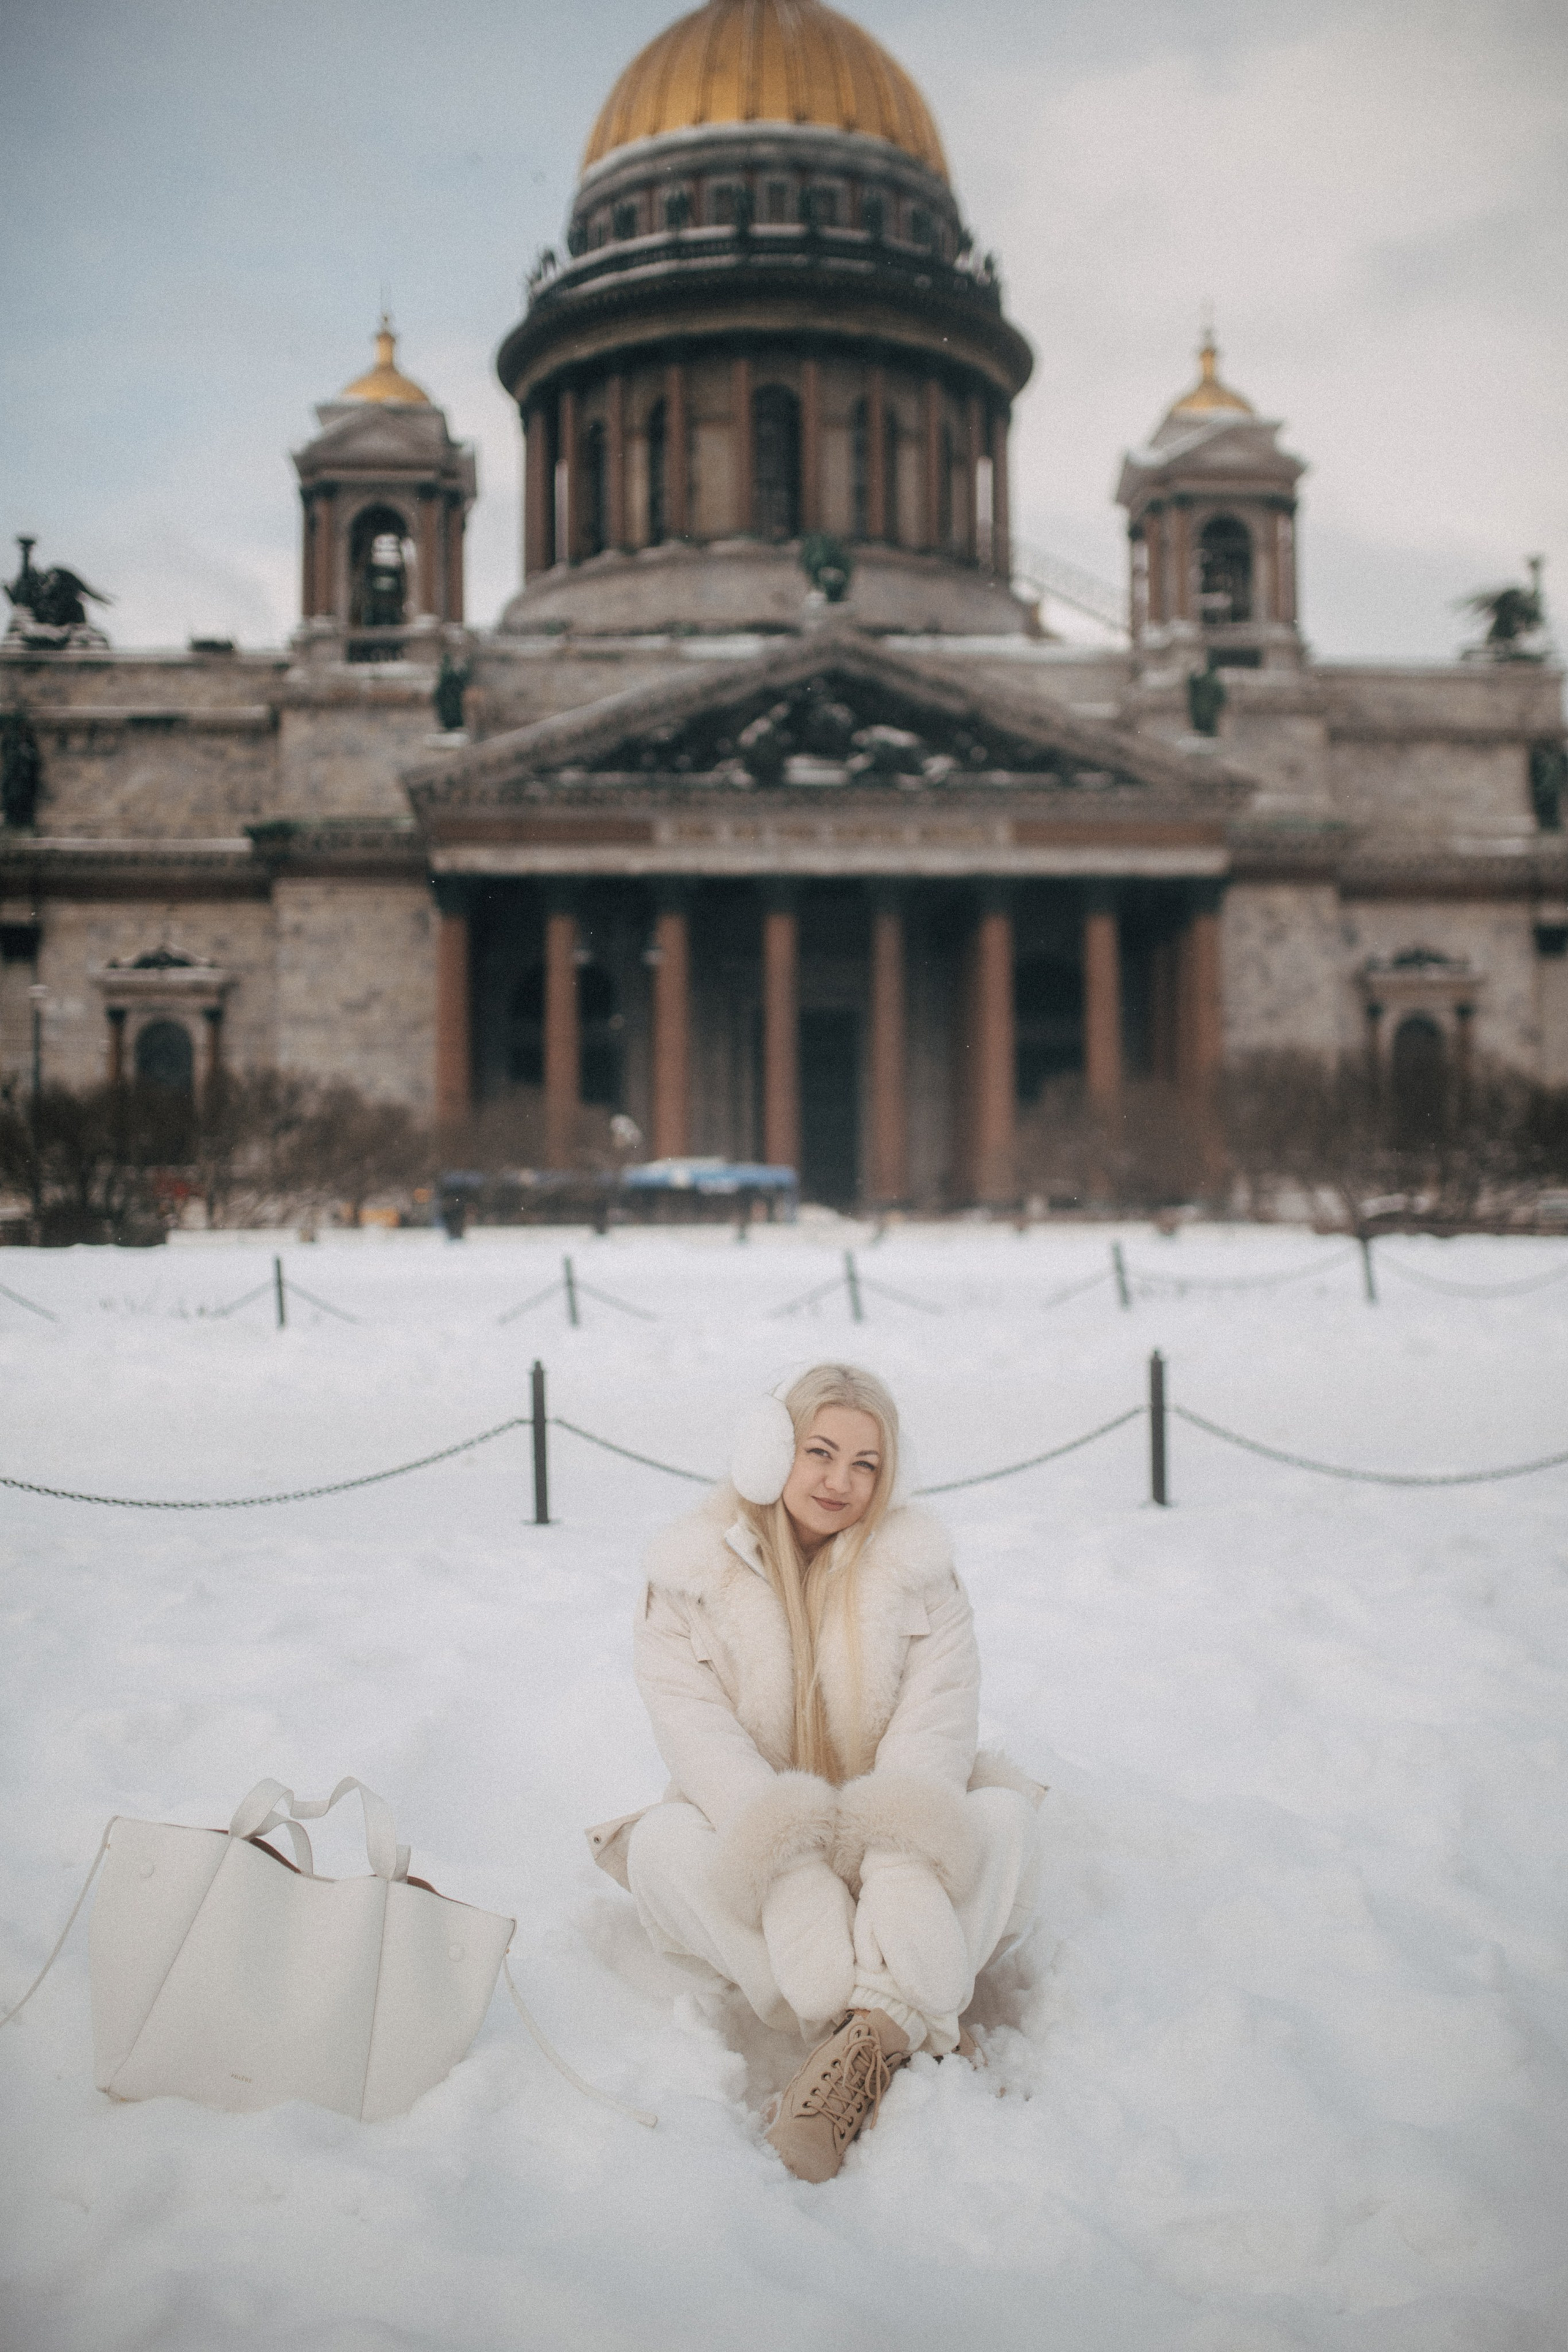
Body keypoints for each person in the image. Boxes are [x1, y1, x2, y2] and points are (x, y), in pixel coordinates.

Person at [585, 1363, 1044, 2183]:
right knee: (663, 1844)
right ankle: (904, 2018)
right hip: (762, 1845)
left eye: (866, 1464)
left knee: (1005, 1820)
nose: (841, 1482)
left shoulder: (923, 1576)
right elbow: (702, 1745)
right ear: (772, 1451)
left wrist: (900, 1858)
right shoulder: (686, 1581)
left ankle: (859, 2050)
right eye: (819, 1452)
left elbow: (934, 1728)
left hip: (887, 1840)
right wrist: (792, 1869)